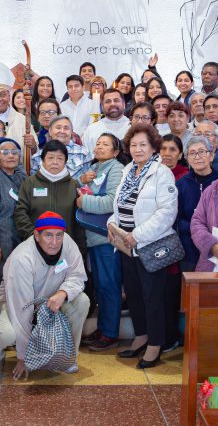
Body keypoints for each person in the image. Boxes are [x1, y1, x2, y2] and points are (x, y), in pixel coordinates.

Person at [107, 124, 176, 369]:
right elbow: (119, 205)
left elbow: (167, 213)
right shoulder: (128, 170)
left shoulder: (162, 173)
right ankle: (142, 336)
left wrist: (137, 235)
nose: (137, 149)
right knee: (134, 295)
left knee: (152, 297)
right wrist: (112, 224)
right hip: (127, 245)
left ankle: (155, 344)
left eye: (143, 145)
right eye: (134, 145)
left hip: (150, 245)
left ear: (153, 147)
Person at [0, 212, 89, 376]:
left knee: (82, 301)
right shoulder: (21, 258)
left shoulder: (68, 244)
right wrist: (23, 357)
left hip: (51, 298)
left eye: (59, 235)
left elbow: (77, 275)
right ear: (37, 235)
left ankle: (68, 357)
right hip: (15, 301)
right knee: (6, 335)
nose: (55, 242)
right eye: (48, 236)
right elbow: (21, 310)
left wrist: (63, 292)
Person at [76, 133, 124, 351]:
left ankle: (110, 334)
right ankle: (104, 328)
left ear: (115, 152)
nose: (100, 146)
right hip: (93, 238)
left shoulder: (115, 168)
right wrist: (82, 182)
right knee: (101, 286)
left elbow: (112, 201)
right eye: (98, 143)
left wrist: (84, 201)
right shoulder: (94, 168)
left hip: (107, 238)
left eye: (106, 144)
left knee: (109, 285)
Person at [0, 138, 29, 306]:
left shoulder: (23, 176)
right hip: (1, 235)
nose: (11, 156)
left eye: (15, 152)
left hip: (21, 233)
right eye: (5, 152)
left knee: (20, 278)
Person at [16, 140, 82, 248]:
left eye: (60, 158)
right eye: (50, 158)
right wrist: (33, 236)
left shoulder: (74, 186)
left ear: (65, 161)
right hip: (34, 244)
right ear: (42, 160)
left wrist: (80, 248)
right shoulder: (30, 183)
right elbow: (20, 212)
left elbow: (78, 221)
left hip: (65, 245)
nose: (55, 162)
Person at [175, 135, 218, 272]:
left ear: (211, 156)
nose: (197, 156)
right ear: (187, 159)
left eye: (201, 152)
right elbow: (177, 219)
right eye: (192, 153)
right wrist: (198, 230)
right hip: (189, 248)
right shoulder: (182, 184)